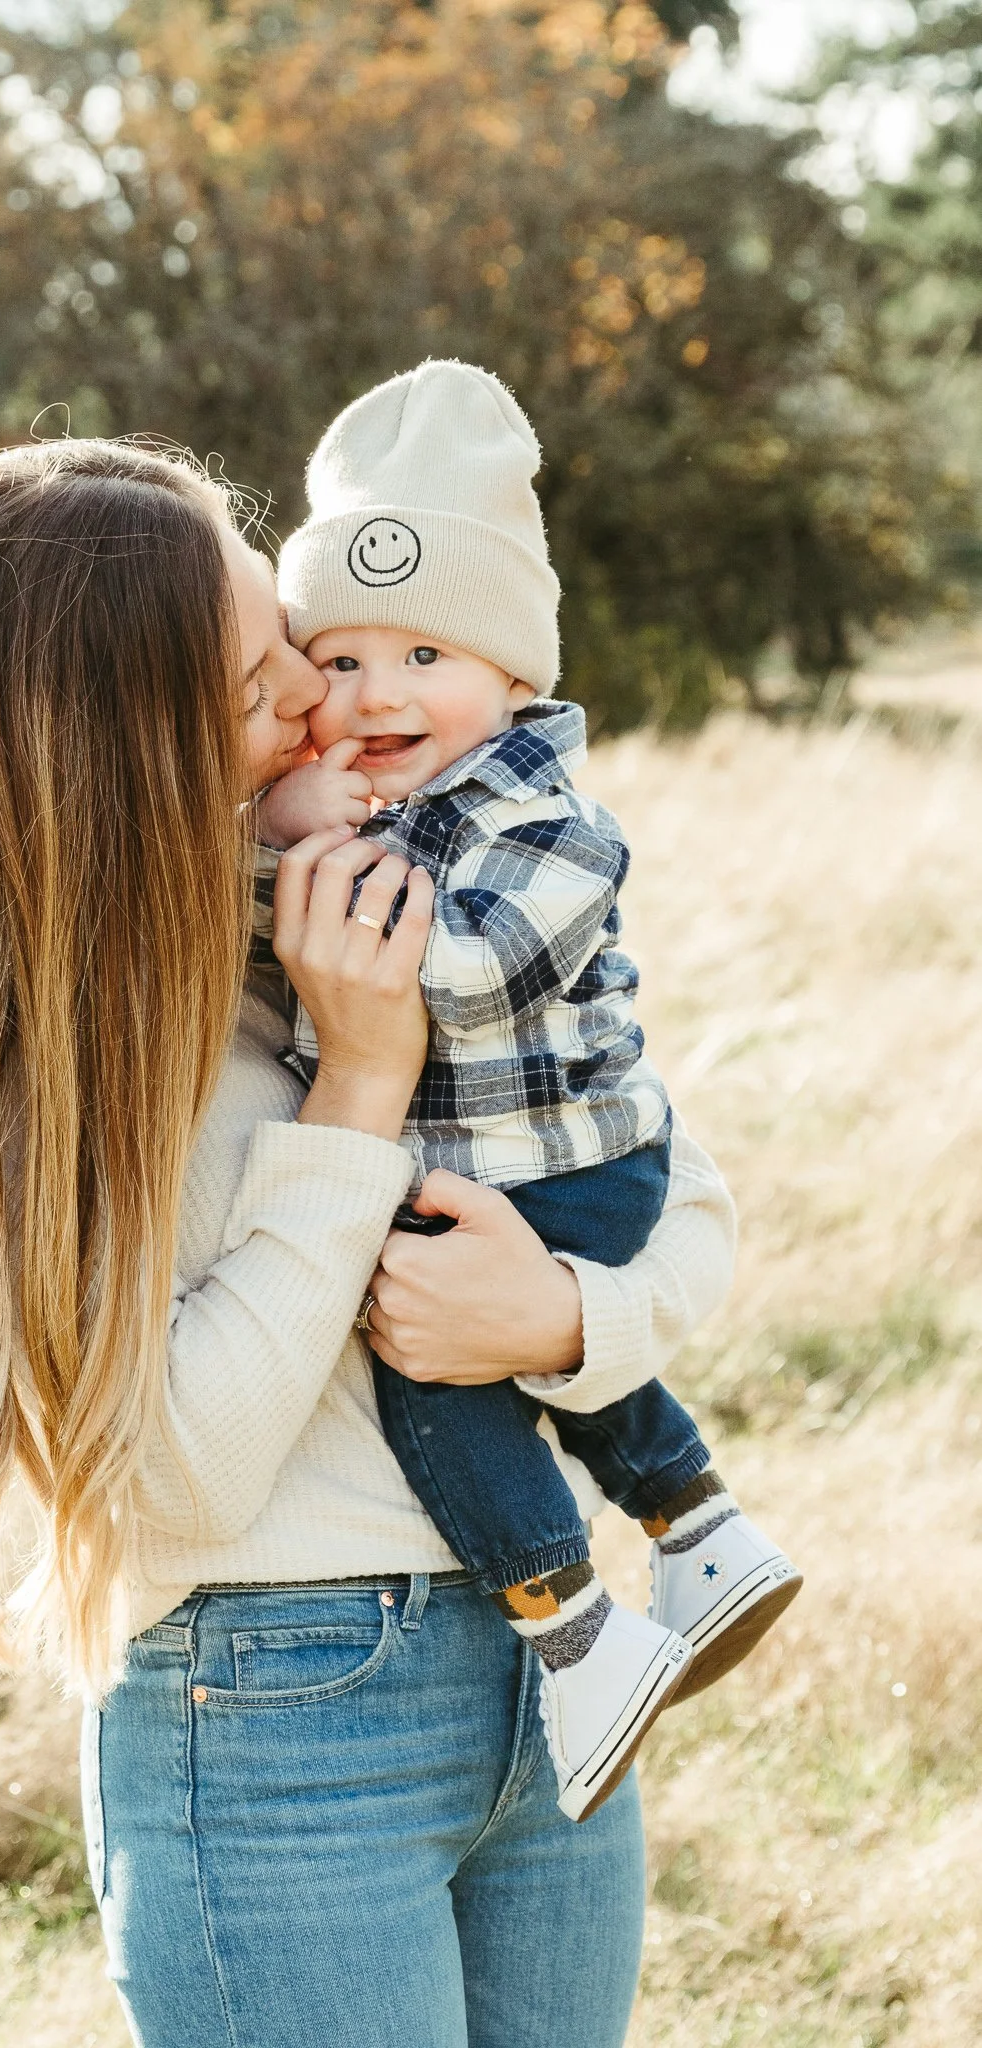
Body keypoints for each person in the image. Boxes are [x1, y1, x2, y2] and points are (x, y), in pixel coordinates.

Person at [0, 435, 738, 2048]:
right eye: (259, 690)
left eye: (296, 643)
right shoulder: (67, 1058)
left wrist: (567, 1321)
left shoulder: (396, 886)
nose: (327, 702)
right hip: (278, 1713)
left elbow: (683, 1198)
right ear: (122, 752)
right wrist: (361, 1082)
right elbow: (177, 1479)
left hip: (552, 1668)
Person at [255, 360, 800, 1822]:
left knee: (428, 1357)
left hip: (570, 1167)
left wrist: (285, 874)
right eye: (345, 659)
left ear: (515, 677)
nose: (379, 695)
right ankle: (696, 1527)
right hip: (507, 1166)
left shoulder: (551, 818)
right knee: (477, 1326)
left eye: (425, 657)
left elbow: (464, 974)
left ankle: (570, 1624)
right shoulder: (395, 808)